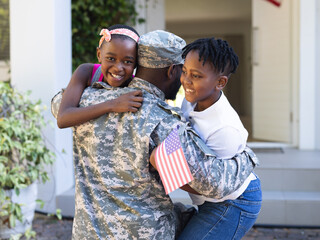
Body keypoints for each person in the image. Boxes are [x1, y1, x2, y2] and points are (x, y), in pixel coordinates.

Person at [52, 30, 259, 239]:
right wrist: (246, 157)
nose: (185, 80)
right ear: (172, 71)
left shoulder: (84, 101)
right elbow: (211, 184)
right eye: (183, 71)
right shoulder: (165, 123)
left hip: (89, 232)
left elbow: (57, 105)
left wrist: (91, 72)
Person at [178, 38, 262, 239]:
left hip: (232, 203)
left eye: (196, 75)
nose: (186, 81)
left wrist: (165, 173)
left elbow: (213, 187)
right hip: (208, 200)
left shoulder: (225, 129)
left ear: (220, 82)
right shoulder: (190, 101)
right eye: (184, 71)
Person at [54, 24, 143, 128]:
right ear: (99, 55)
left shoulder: (135, 87)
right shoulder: (86, 72)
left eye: (128, 61)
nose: (118, 68)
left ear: (136, 63)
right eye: (111, 59)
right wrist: (113, 104)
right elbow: (63, 118)